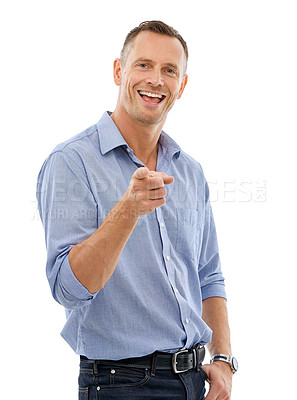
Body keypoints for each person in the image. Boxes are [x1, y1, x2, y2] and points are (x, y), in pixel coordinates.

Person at [37, 20, 238, 400]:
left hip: (195, 382)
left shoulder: (189, 171)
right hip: (120, 384)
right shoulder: (72, 162)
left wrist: (224, 360)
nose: (156, 80)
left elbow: (209, 275)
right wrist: (127, 211)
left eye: (169, 70)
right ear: (119, 71)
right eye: (143, 65)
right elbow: (67, 288)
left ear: (182, 84)